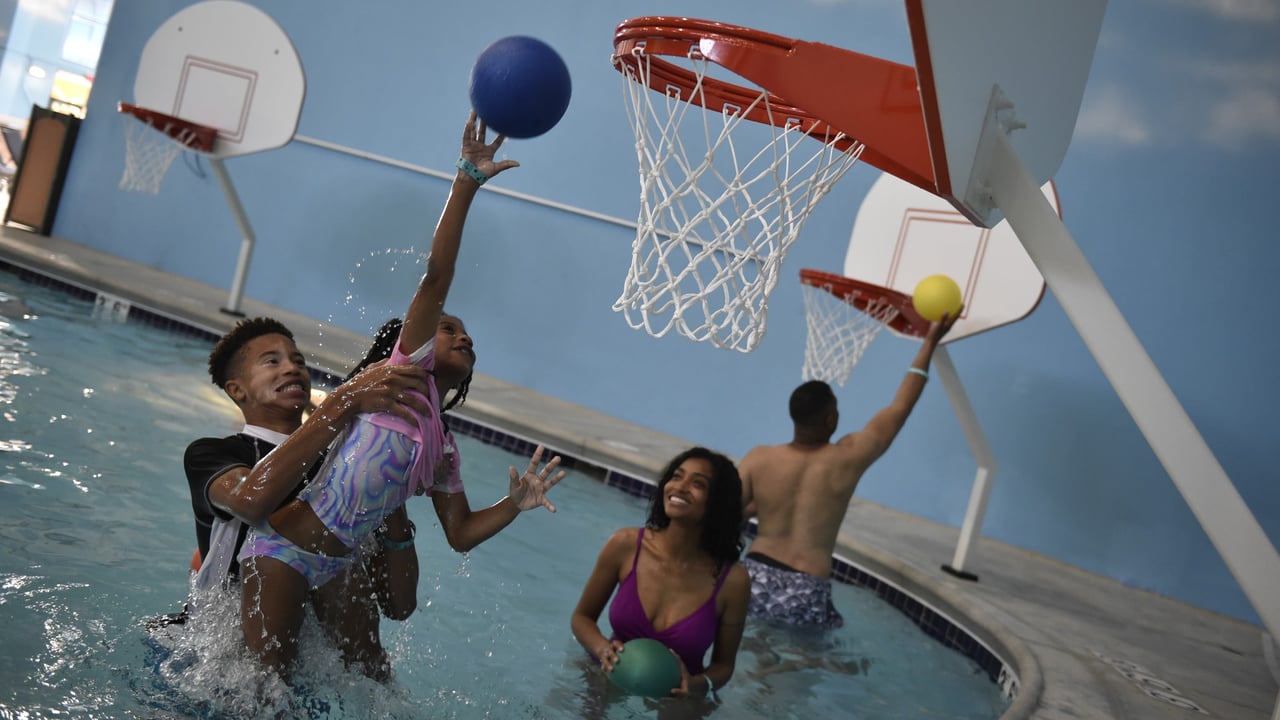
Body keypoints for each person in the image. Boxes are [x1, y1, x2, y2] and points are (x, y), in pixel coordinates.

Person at [237, 111, 565, 677]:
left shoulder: (443, 448)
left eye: (468, 335)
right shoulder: (398, 379)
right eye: (448, 328)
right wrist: (467, 179)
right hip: (283, 551)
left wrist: (513, 505)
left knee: (374, 679)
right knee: (265, 690)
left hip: (338, 569)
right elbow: (437, 275)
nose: (462, 335)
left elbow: (460, 534)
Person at [181, 314, 432, 679]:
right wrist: (343, 402)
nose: (292, 369)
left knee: (375, 669)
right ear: (238, 390)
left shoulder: (345, 465)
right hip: (221, 661)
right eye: (273, 361)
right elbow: (251, 502)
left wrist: (391, 485)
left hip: (310, 662)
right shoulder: (212, 454)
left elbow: (399, 604)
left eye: (298, 360)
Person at [738, 313, 958, 629]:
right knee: (793, 668)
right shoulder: (847, 458)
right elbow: (900, 406)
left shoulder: (758, 459)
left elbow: (725, 517)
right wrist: (930, 342)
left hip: (754, 573)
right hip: (807, 582)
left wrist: (757, 507)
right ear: (830, 419)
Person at [571, 447, 751, 701]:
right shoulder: (625, 545)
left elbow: (724, 665)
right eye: (676, 476)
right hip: (604, 684)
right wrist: (602, 649)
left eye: (697, 483)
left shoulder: (732, 581)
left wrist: (699, 684)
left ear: (718, 502)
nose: (680, 486)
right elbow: (582, 617)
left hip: (675, 704)